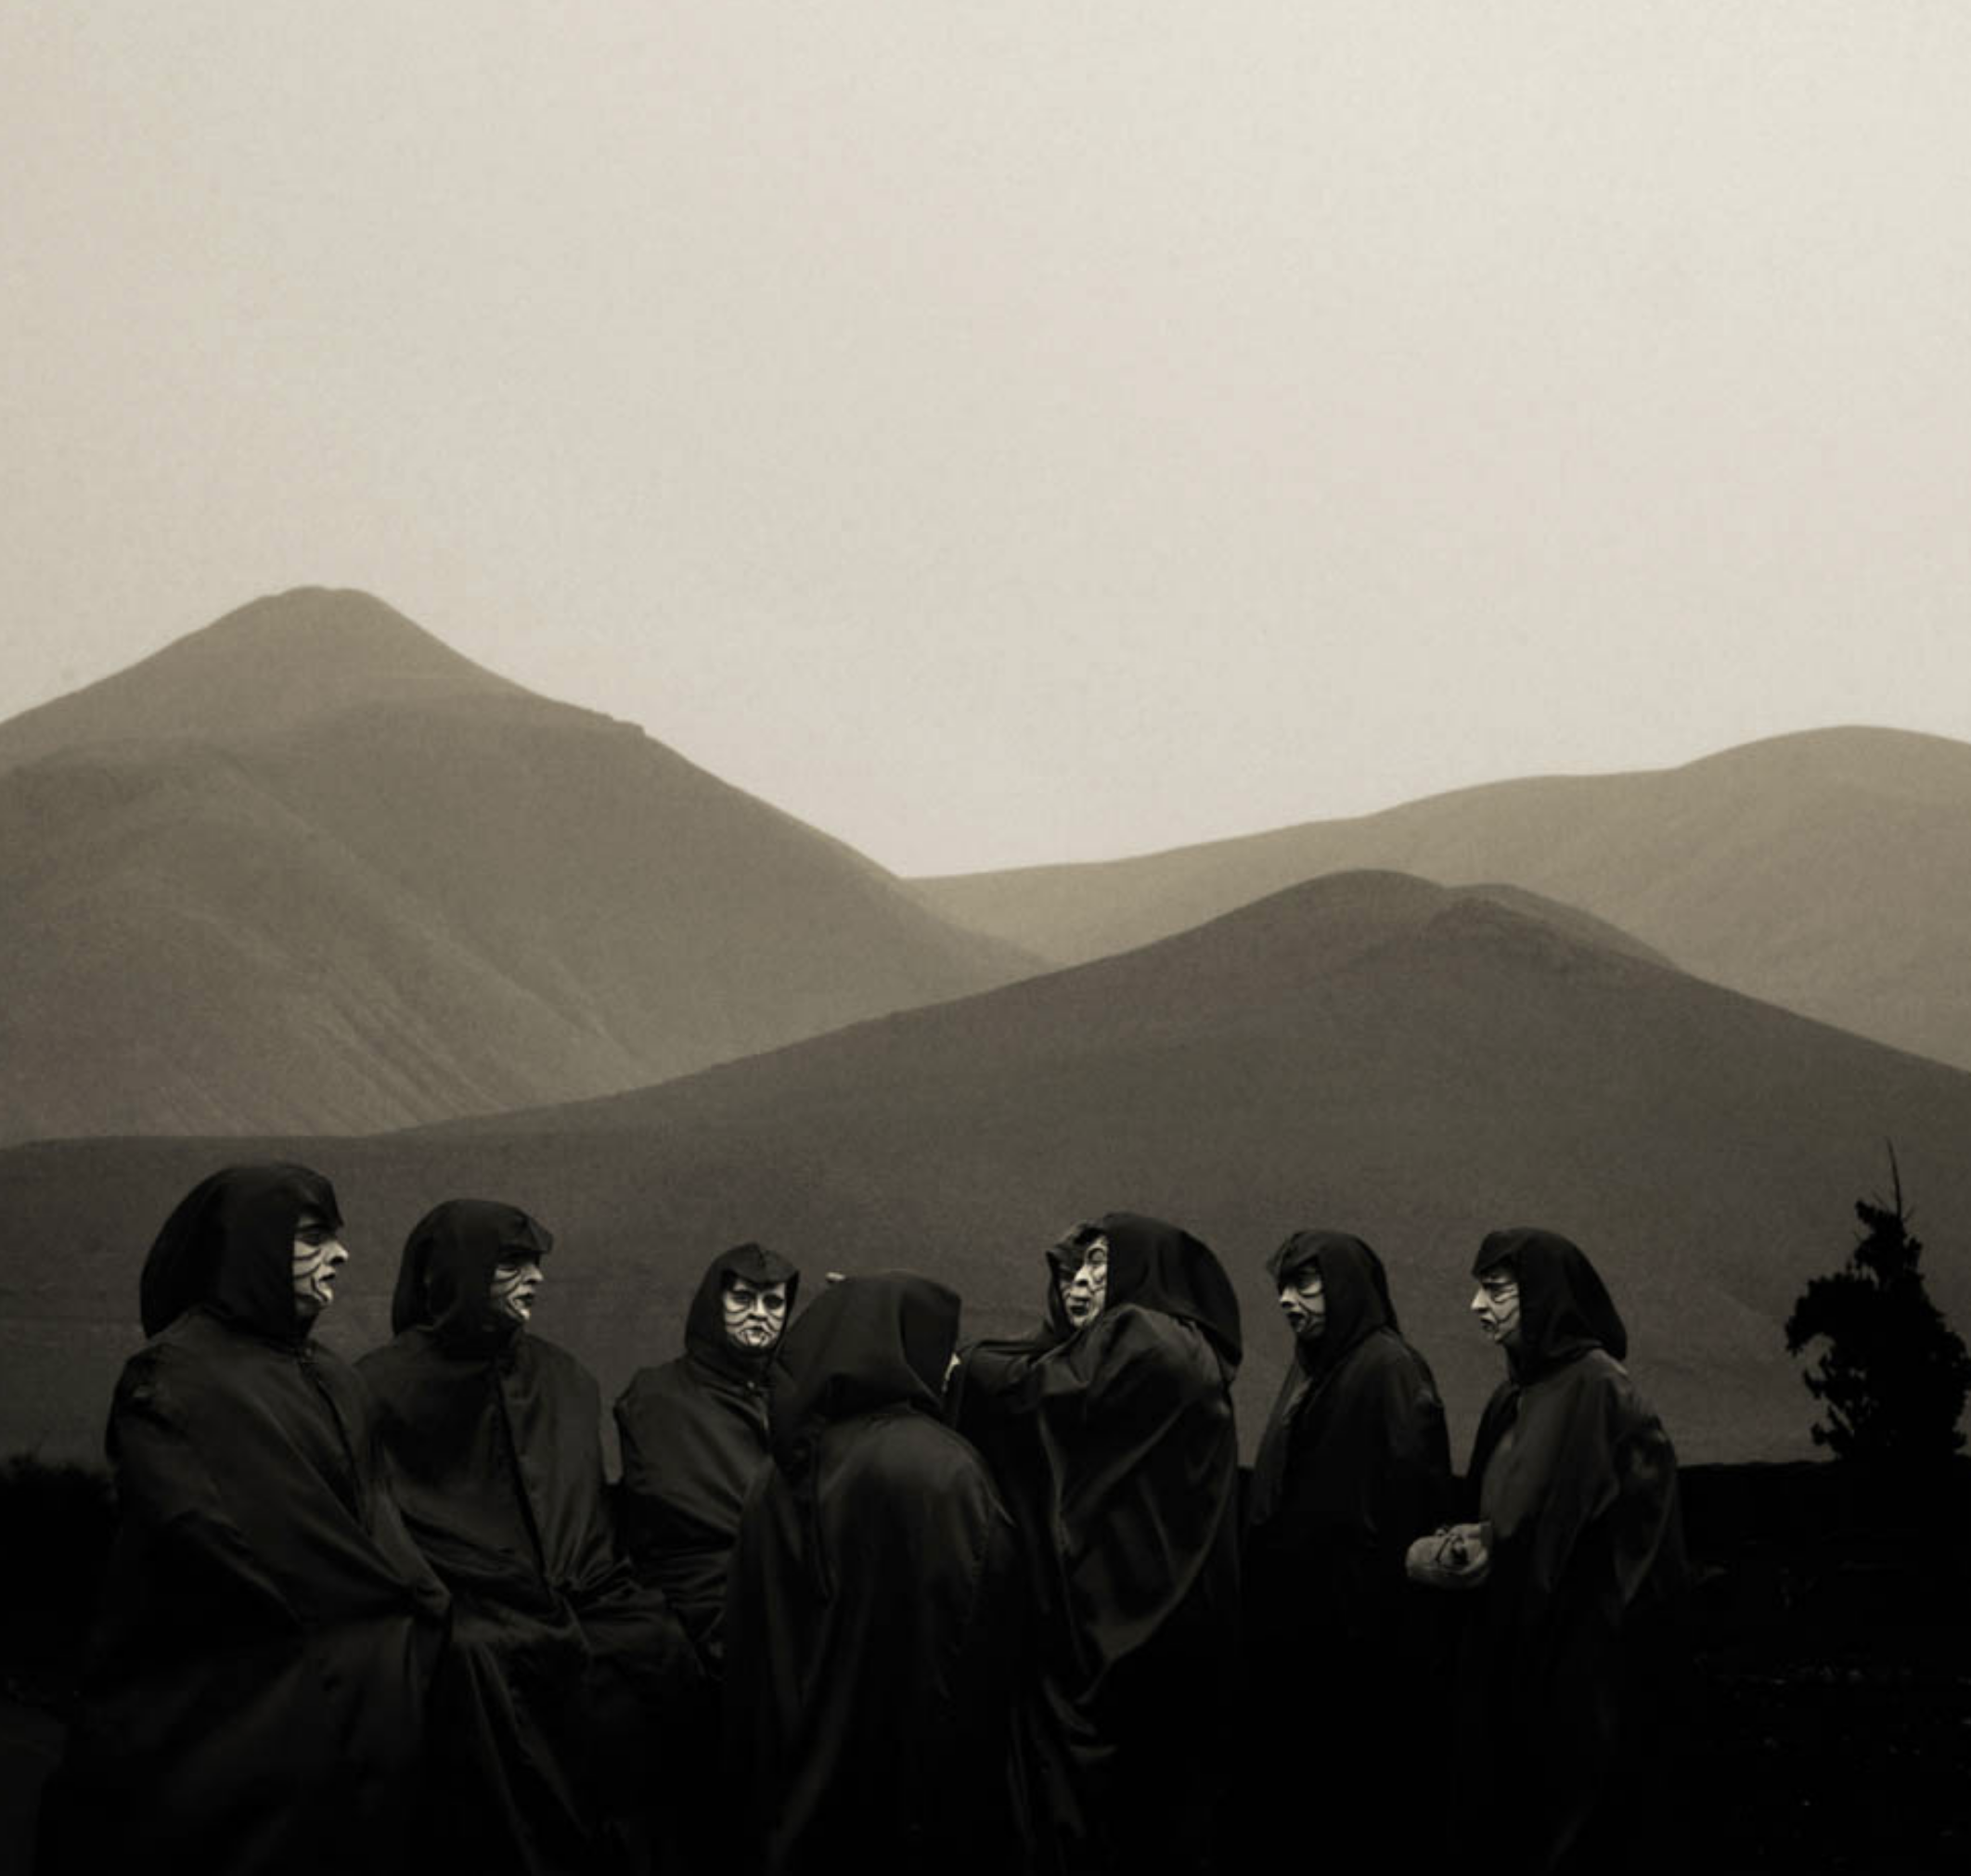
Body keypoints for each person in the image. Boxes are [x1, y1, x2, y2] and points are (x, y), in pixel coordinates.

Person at [37, 1164, 452, 1876]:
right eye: (313, 1237)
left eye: (338, 1238)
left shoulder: (334, 1378)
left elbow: (377, 1519)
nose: (341, 1255)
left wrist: (416, 1609)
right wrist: (359, 1619)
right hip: (222, 1657)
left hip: (345, 1634)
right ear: (251, 1248)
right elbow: (212, 1536)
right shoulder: (170, 1377)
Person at [357, 1199, 700, 1876]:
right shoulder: (378, 1388)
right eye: (511, 1263)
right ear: (458, 1271)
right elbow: (385, 1524)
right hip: (466, 1604)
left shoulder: (563, 1378)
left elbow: (583, 1512)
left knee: (657, 1645)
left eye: (537, 1264)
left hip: (581, 1589)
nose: (535, 1280)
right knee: (484, 1669)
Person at [950, 1213, 1243, 1876]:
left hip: (1119, 1634)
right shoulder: (1179, 1345)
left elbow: (1040, 1389)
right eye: (1073, 1272)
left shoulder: (1147, 1336)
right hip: (1161, 1629)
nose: (1081, 1285)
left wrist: (949, 1359)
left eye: (1099, 1268)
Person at [1407, 1227, 1689, 1876]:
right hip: (1518, 1661)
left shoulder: (1598, 1391)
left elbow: (1587, 1542)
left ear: (1547, 1297)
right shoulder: (1517, 1395)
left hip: (1581, 1677)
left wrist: (1488, 1557)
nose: (1478, 1306)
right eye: (1480, 1289)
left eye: (1498, 1290)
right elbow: (1510, 1515)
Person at [722, 1272, 1024, 1876]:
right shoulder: (943, 1468)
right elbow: (978, 1637)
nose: (948, 1368)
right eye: (941, 1345)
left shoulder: (776, 1471)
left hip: (791, 1799)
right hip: (906, 1802)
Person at [1241, 1230, 1451, 1830]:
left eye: (1305, 1283)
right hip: (1305, 1638)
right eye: (1283, 1285)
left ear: (1346, 1286)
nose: (1286, 1299)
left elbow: (1413, 1505)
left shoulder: (1390, 1368)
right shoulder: (1316, 1365)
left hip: (1358, 1643)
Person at [613, 1241, 799, 1673]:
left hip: (784, 1576)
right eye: (743, 1298)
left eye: (774, 1302)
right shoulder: (659, 1395)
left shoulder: (793, 1393)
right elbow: (671, 1502)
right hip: (701, 1587)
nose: (760, 1313)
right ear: (714, 1303)